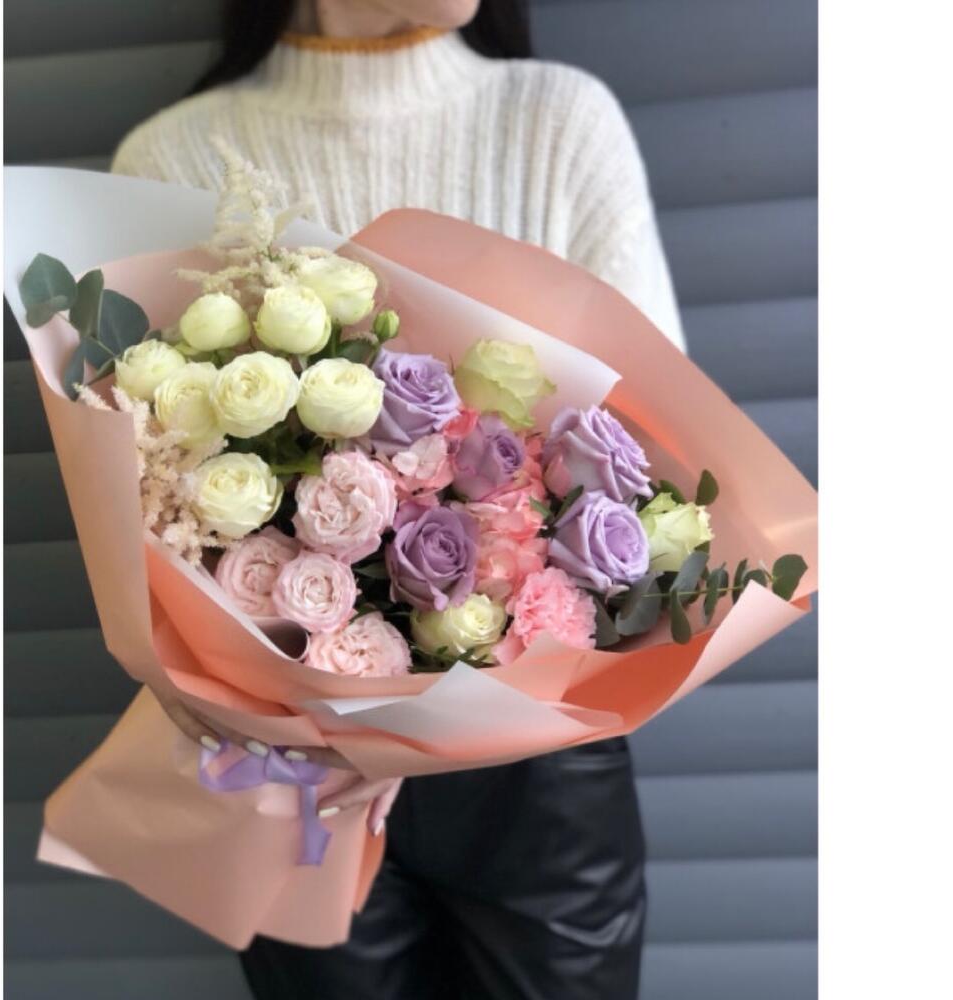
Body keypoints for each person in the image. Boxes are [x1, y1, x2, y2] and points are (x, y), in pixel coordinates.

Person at [112, 1, 684, 996]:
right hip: (291, 755)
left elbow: (655, 463)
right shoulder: (169, 159)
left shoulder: (557, 123)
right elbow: (141, 510)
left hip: (535, 764)